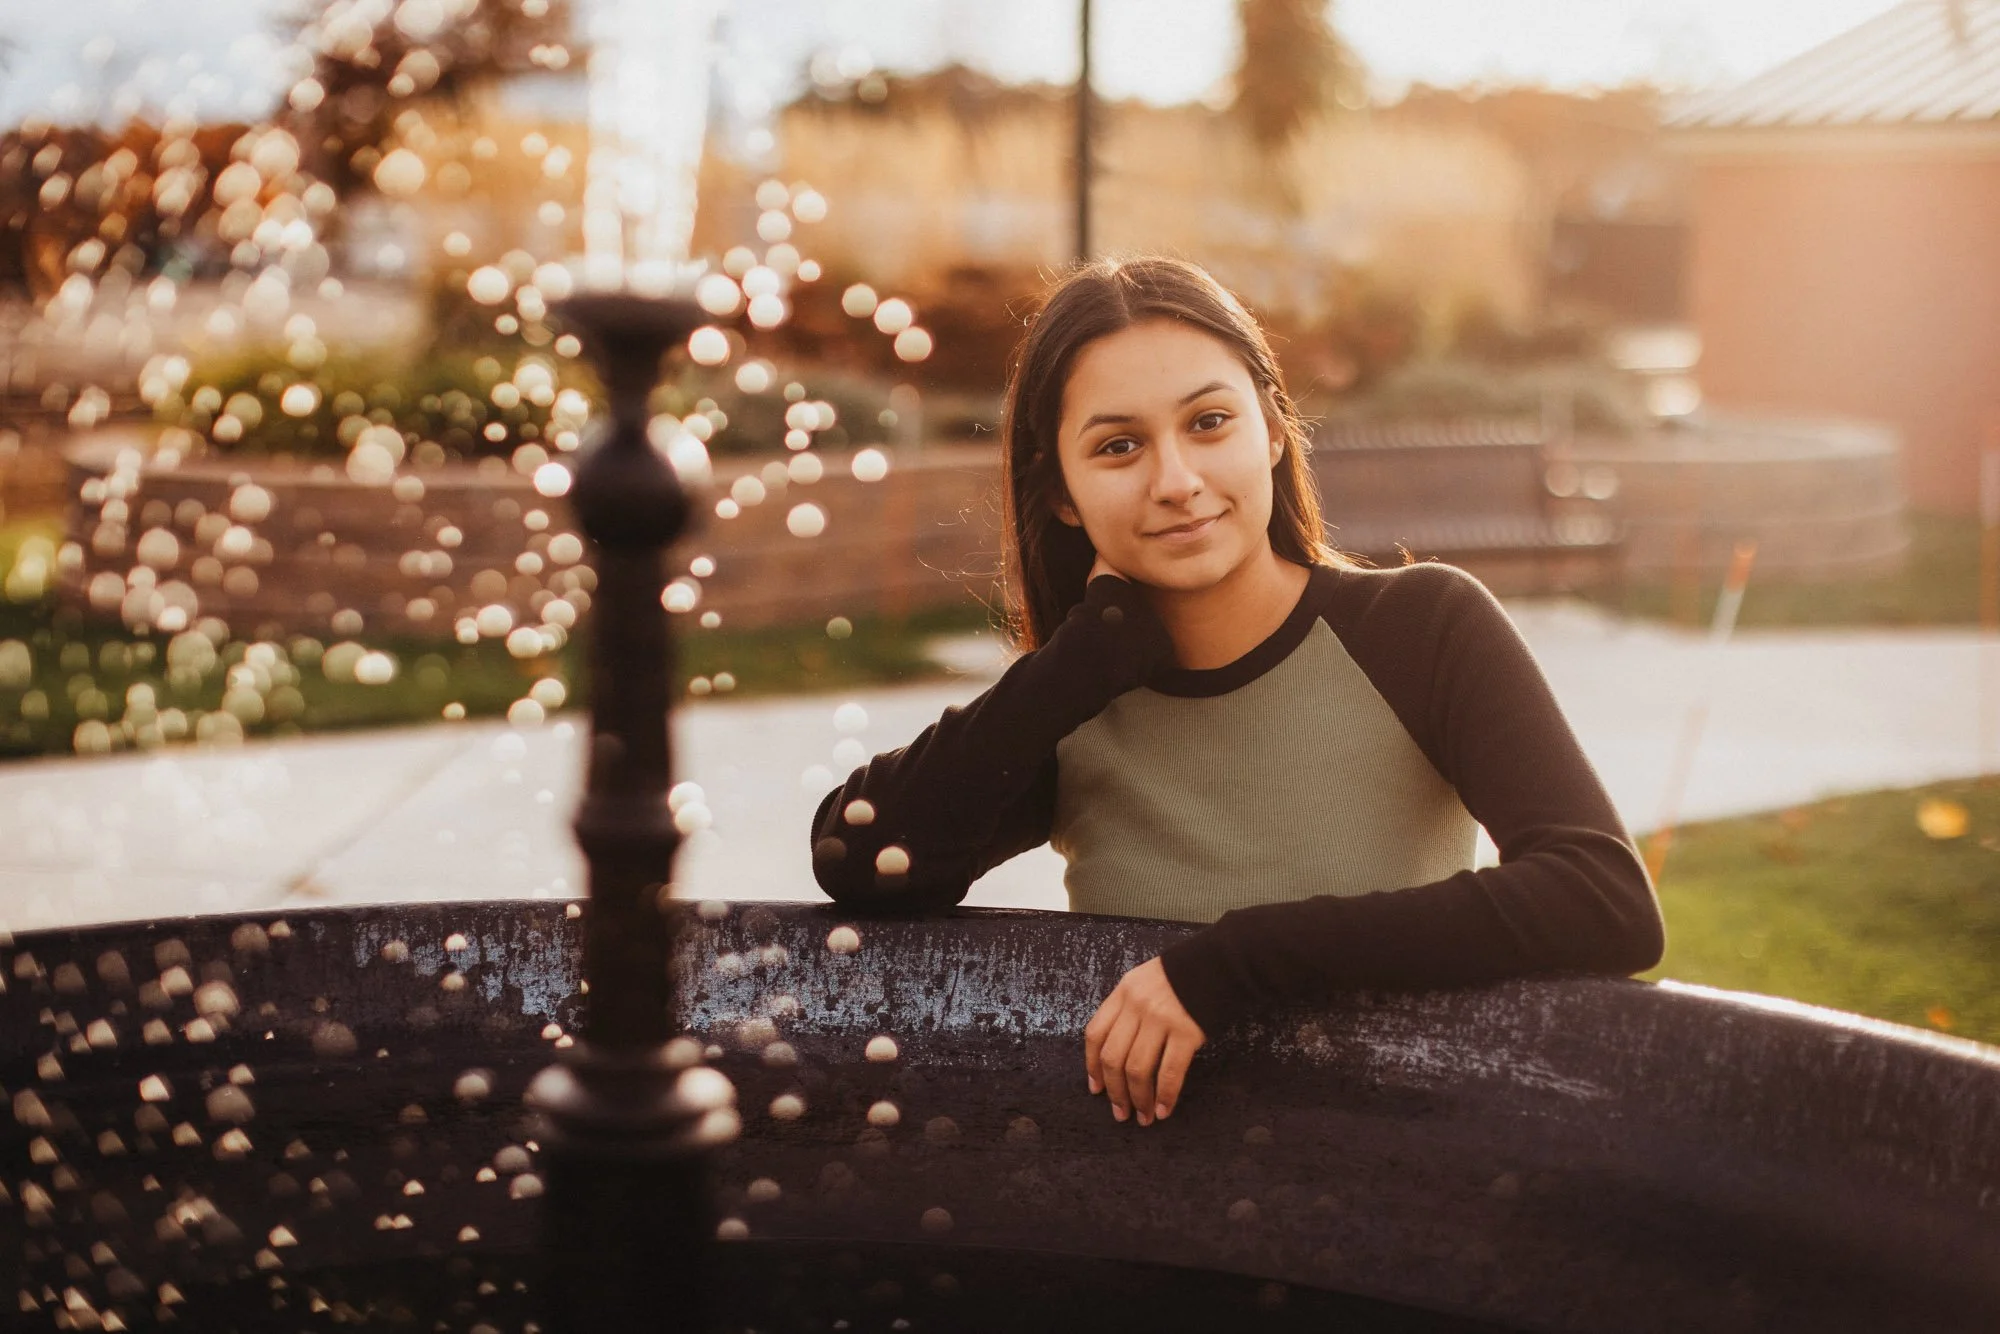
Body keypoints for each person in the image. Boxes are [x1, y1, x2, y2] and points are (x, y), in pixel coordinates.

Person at [808, 255, 1665, 1130]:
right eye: (1118, 447)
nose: (1176, 481)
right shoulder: (1073, 700)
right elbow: (863, 860)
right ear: (1061, 496)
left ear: (1275, 429)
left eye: (1210, 422)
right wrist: (1078, 660)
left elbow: (1601, 899)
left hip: (1397, 1184)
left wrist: (1235, 961)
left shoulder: (1420, 627)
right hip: (1152, 1209)